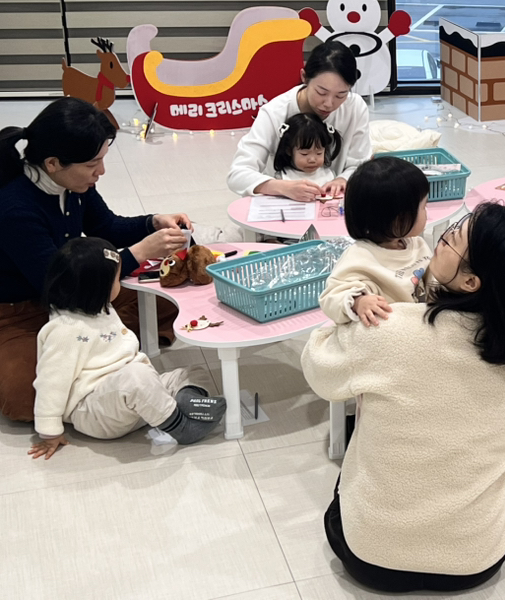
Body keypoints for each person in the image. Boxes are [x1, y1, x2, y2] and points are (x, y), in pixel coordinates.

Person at [301, 203, 505, 593]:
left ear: (471, 282)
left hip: (372, 558)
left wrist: (350, 314)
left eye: (454, 239)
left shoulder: (388, 331)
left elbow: (318, 369)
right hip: (475, 559)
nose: (445, 235)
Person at [0, 98, 187, 422]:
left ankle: (80, 357)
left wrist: (153, 222)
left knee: (172, 300)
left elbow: (106, 226)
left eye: (101, 160)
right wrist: (140, 252)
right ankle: (87, 355)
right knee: (23, 395)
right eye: (92, 164)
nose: (101, 172)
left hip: (82, 295)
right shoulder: (15, 208)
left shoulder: (73, 184)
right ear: (53, 163)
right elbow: (60, 286)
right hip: (22, 312)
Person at [30, 238, 227, 459]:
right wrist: (49, 431)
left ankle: (186, 403)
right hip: (96, 410)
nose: (120, 284)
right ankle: (182, 428)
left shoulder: (100, 308)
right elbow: (51, 383)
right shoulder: (64, 330)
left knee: (192, 372)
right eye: (117, 279)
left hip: (133, 395)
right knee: (137, 377)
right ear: (99, 288)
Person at [227, 41, 370, 202]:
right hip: (284, 205)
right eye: (321, 92)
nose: (329, 103)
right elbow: (238, 174)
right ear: (304, 77)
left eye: (341, 95)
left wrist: (343, 179)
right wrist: (282, 187)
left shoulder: (355, 107)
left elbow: (361, 163)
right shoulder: (274, 112)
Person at [320, 156, 432, 327]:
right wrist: (358, 302)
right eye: (423, 206)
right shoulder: (361, 257)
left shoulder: (417, 245)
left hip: (419, 324)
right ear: (399, 219)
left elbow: (435, 280)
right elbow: (331, 297)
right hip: (387, 330)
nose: (427, 212)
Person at [272, 112, 343, 190]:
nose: (312, 160)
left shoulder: (329, 176)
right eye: (304, 154)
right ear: (289, 151)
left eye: (319, 153)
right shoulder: (282, 178)